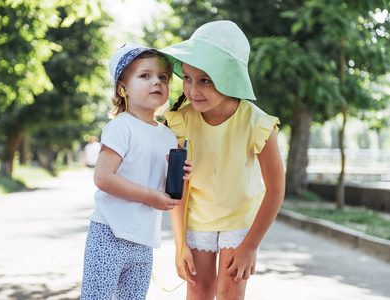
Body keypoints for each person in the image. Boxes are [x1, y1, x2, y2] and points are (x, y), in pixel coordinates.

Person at [161, 20, 285, 299]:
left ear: (230, 78)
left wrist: (250, 246)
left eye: (205, 80)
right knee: (199, 292)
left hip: (241, 223)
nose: (193, 91)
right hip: (197, 221)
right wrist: (181, 244)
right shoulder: (178, 122)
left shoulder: (258, 124)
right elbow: (176, 188)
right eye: (189, 78)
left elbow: (276, 190)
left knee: (230, 293)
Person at [80, 43, 192, 300]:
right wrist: (150, 197)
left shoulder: (167, 135)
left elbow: (166, 190)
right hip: (109, 233)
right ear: (123, 87)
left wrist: (180, 175)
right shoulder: (121, 127)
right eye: (145, 75)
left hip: (143, 240)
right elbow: (103, 178)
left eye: (163, 77)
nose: (157, 82)